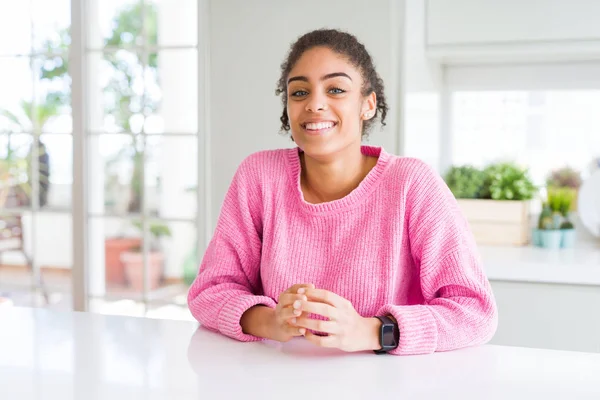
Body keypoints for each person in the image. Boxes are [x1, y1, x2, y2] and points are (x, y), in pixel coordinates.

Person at [187, 29, 497, 355]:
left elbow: (474, 311)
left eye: (335, 89)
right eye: (299, 93)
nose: (314, 104)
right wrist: (270, 320)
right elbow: (210, 290)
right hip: (276, 380)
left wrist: (371, 331)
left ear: (367, 104)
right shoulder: (259, 177)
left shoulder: (411, 184)